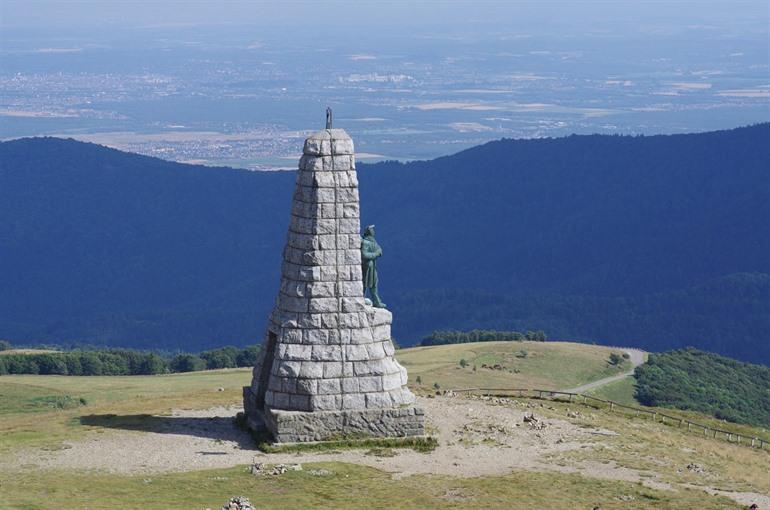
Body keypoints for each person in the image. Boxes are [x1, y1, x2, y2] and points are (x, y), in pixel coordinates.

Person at [361, 225, 386, 308]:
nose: (374, 231)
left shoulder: (372, 241)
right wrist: (376, 254)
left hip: (372, 265)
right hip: (367, 266)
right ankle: (361, 297)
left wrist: (378, 251)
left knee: (374, 283)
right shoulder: (366, 242)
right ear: (369, 232)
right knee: (365, 282)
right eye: (372, 230)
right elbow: (364, 254)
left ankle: (376, 301)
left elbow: (379, 249)